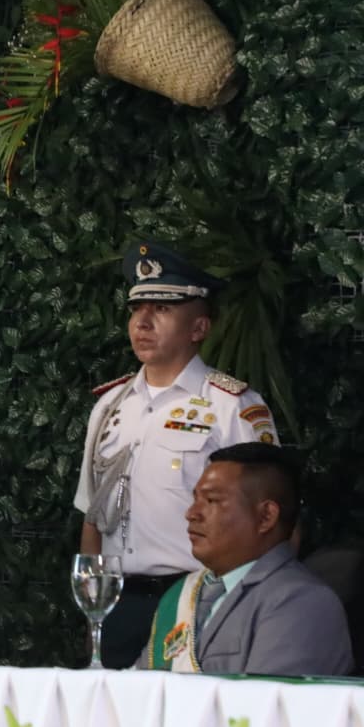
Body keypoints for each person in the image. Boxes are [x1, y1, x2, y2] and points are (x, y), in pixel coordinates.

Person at [75, 241, 280, 668]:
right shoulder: (109, 406)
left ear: (199, 328)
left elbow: (272, 522)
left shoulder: (231, 406)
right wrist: (93, 605)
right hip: (116, 602)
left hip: (194, 601)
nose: (143, 322)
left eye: (162, 309)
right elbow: (92, 517)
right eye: (137, 309)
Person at [140, 443, 354, 675]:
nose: (192, 513)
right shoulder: (182, 594)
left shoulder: (302, 601)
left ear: (266, 517)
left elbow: (269, 705)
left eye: (212, 500)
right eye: (196, 499)